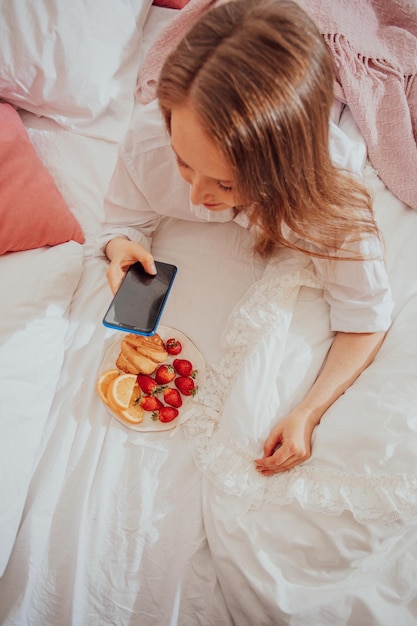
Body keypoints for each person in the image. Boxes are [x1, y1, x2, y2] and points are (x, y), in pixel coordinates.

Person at [102, 0, 393, 475]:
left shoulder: (327, 206)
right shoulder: (150, 141)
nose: (196, 195)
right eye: (184, 163)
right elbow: (122, 221)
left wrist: (308, 411)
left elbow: (366, 316)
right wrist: (119, 248)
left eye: (226, 183)